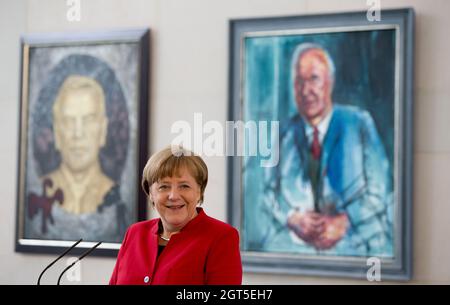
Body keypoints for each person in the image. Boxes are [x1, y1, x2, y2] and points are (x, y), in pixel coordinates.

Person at [261, 43, 393, 257]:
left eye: (314, 79)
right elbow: (267, 192)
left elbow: (380, 189)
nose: (306, 91)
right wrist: (292, 218)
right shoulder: (280, 133)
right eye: (299, 82)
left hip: (357, 242)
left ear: (329, 83)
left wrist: (345, 221)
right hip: (296, 247)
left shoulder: (359, 123)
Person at [109, 146, 242, 285]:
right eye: (164, 186)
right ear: (151, 193)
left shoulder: (221, 237)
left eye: (184, 186)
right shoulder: (135, 233)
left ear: (199, 191)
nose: (173, 196)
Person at [42, 75, 114, 215]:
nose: (78, 133)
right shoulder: (39, 190)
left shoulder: (114, 193)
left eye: (88, 120)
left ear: (103, 130)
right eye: (69, 121)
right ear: (57, 132)